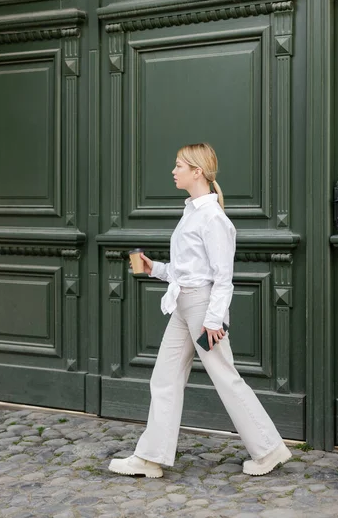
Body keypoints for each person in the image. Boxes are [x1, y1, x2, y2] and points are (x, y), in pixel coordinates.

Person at [109, 143, 291, 478]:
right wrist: (156, 269)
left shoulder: (213, 218)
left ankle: (268, 450)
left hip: (202, 307)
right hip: (184, 305)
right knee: (164, 378)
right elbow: (190, 270)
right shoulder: (192, 212)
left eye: (179, 165)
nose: (173, 171)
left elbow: (223, 276)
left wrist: (213, 320)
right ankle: (151, 457)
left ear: (198, 171)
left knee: (226, 377)